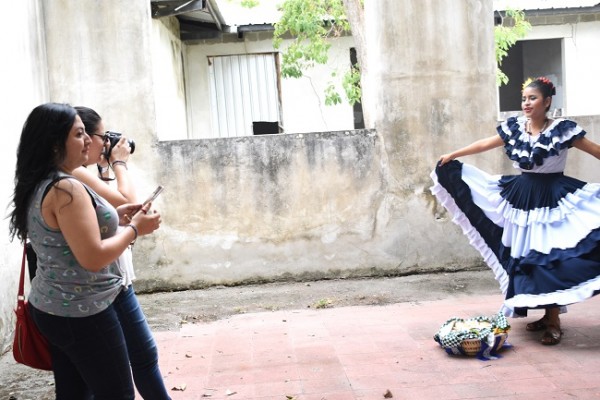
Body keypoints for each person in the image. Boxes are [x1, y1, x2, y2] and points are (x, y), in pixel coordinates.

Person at [9, 103, 162, 399]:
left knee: (76, 393)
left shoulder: (40, 181)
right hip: (84, 311)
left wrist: (115, 216)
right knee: (118, 393)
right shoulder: (67, 188)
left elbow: (68, 232)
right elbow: (92, 257)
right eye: (80, 135)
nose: (91, 142)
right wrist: (135, 229)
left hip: (52, 307)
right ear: (55, 143)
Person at [431, 77, 600, 346]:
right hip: (521, 196)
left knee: (549, 256)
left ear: (547, 102)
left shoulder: (562, 130)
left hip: (553, 197)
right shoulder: (515, 128)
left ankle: (554, 320)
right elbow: (486, 142)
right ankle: (547, 316)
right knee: (527, 257)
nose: (527, 103)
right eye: (524, 99)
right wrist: (453, 154)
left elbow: (595, 150)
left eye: (533, 98)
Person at [72, 106, 171, 399]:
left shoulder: (76, 174)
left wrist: (104, 168)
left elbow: (105, 211)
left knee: (83, 379)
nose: (105, 144)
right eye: (102, 136)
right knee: (133, 362)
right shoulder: (70, 174)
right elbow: (129, 202)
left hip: (105, 281)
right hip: (101, 283)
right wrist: (119, 163)